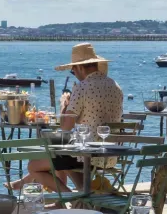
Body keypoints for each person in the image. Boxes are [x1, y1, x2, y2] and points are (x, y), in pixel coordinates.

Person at [12, 43, 123, 193]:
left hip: (86, 155)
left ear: (80, 68)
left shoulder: (82, 87)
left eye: (73, 71)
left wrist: (64, 105)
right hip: (110, 155)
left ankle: (68, 196)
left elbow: (65, 127)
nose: (75, 74)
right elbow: (93, 116)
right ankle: (69, 196)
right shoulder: (115, 86)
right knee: (59, 149)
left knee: (33, 165)